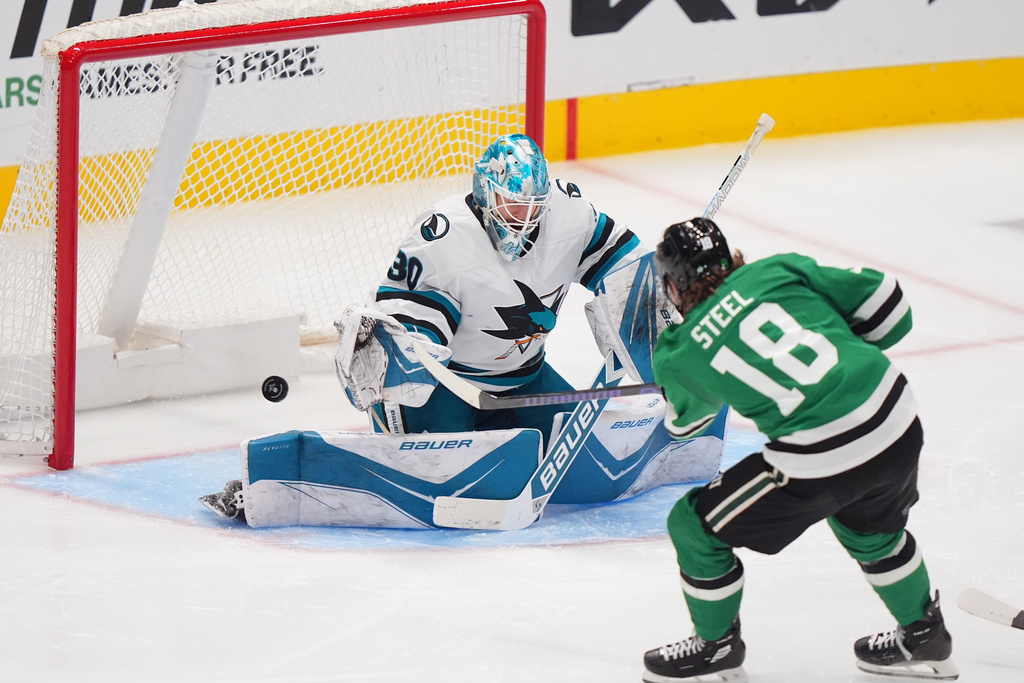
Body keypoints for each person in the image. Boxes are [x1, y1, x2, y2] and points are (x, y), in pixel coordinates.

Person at [642, 217, 957, 682]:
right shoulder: (776, 270)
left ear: (674, 284)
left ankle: (716, 648)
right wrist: (838, 349)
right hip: (896, 416)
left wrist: (672, 384)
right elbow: (891, 307)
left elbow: (688, 424)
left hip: (825, 454)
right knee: (868, 529)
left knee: (693, 526)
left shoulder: (680, 349)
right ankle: (924, 634)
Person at [337, 133, 649, 445]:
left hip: (527, 380)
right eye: (512, 203)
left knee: (588, 449)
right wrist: (401, 363)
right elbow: (413, 328)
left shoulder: (570, 213)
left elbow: (626, 263)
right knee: (440, 466)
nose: (523, 219)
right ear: (485, 190)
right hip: (450, 388)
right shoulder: (442, 236)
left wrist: (647, 302)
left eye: (533, 207)